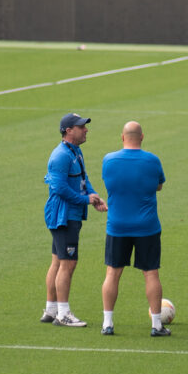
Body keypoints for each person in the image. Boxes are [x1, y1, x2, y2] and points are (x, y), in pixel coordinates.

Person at [100, 121, 169, 337]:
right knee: (151, 273)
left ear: (122, 137)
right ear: (142, 137)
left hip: (117, 225)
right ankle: (156, 325)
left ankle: (107, 323)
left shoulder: (109, 160)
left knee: (113, 272)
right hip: (146, 226)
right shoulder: (152, 160)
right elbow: (158, 186)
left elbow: (110, 185)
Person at [40, 113, 107, 327]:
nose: (86, 129)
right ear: (68, 130)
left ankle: (51, 309)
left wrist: (94, 196)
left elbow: (83, 180)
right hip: (63, 216)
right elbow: (58, 188)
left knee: (58, 262)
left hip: (68, 213)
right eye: (81, 127)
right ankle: (63, 313)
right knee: (68, 263)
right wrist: (84, 199)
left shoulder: (74, 151)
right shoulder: (61, 155)